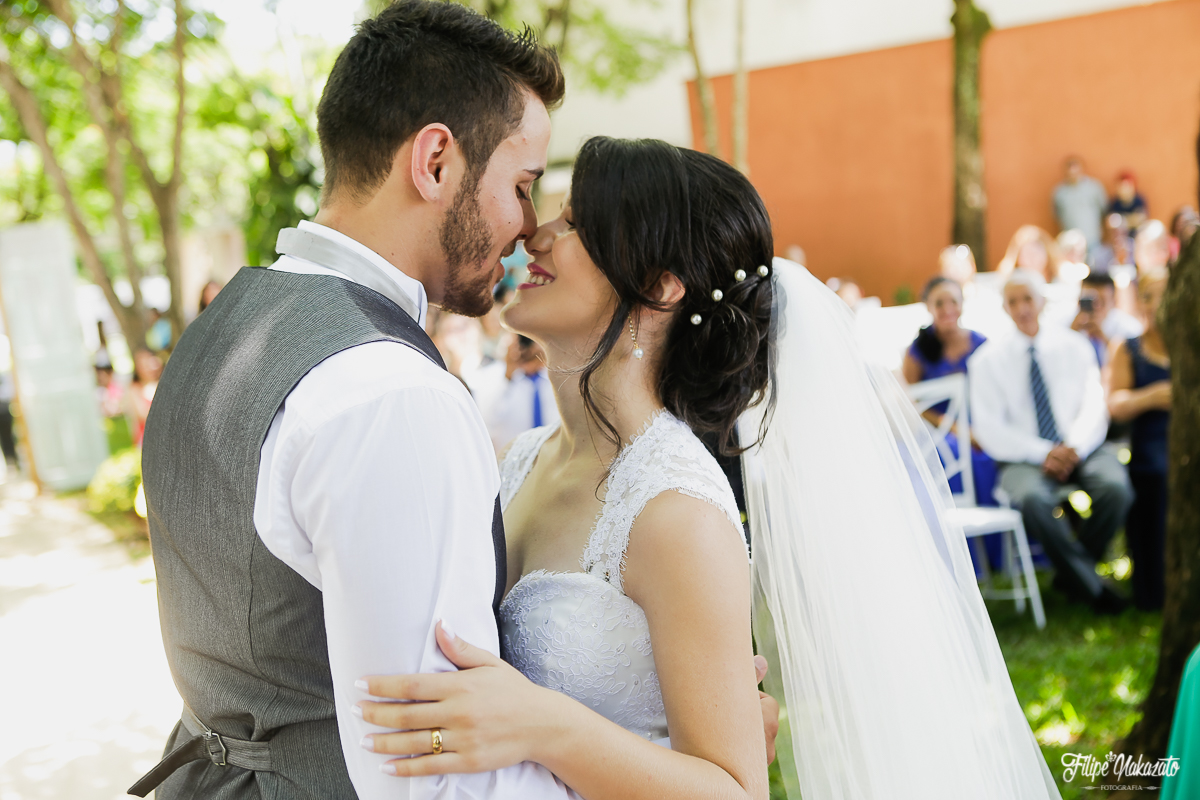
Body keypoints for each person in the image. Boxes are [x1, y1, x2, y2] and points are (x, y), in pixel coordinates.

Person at [359, 138, 1062, 799]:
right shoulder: (519, 460)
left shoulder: (674, 510)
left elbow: (733, 788)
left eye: (574, 224)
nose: (535, 235)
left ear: (660, 287)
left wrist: (543, 724)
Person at [131, 4, 601, 797]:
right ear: (437, 161)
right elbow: (431, 776)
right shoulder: (392, 395)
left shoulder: (225, 328)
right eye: (522, 186)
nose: (528, 225)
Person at [968, 270, 1132, 614]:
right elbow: (990, 429)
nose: (1022, 307)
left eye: (1028, 298)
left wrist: (1073, 446)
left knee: (1116, 488)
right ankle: (1093, 589)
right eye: (1013, 301)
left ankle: (1071, 575)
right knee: (1031, 499)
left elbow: (1093, 403)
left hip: (1081, 447)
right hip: (1023, 458)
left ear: (1041, 301)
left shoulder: (1075, 346)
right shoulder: (987, 362)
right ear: (1005, 308)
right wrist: (1044, 452)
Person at [1107, 268, 1170, 610]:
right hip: (1150, 445)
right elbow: (1114, 405)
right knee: (1159, 475)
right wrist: (1152, 397)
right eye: (1153, 295)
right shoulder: (1128, 348)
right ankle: (1156, 589)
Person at [902, 276, 995, 506]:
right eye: (939, 303)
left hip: (981, 427)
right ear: (928, 306)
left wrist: (979, 430)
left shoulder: (981, 344)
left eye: (953, 301)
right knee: (952, 454)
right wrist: (955, 429)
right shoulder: (918, 351)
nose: (947, 309)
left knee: (990, 456)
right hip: (939, 430)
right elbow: (912, 403)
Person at [472, 333, 561, 453]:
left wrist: (551, 359)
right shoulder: (491, 376)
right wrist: (508, 376)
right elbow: (485, 423)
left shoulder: (559, 375)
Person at [1070, 270, 1143, 366]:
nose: (1095, 307)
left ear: (1114, 301)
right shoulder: (1064, 324)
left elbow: (1135, 363)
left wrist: (1104, 339)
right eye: (1088, 300)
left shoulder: (1129, 328)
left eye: (1102, 301)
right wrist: (1071, 334)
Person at [1053, 156, 1108, 253]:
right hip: (1071, 244)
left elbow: (1104, 209)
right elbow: (1057, 215)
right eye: (1070, 169)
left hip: (1093, 240)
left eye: (1076, 169)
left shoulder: (1094, 187)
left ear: (1082, 169)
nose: (1073, 173)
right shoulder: (1059, 192)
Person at [996, 225, 1063, 282]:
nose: (1032, 259)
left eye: (1036, 252)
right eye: (1027, 254)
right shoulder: (1010, 280)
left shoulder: (1060, 277)